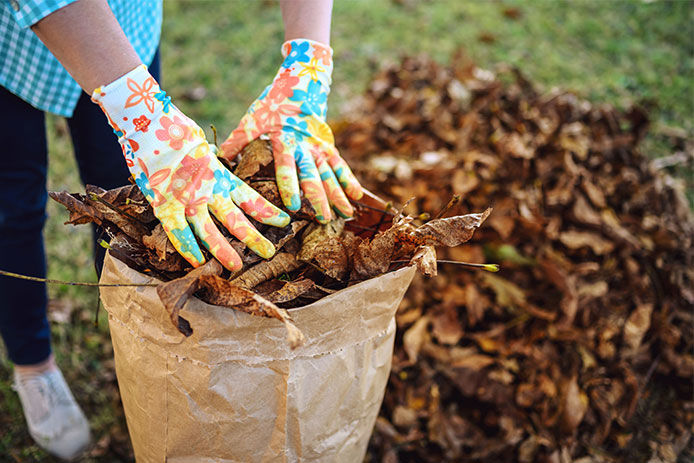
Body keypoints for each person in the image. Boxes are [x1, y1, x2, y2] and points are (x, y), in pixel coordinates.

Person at [0, 0, 362, 459]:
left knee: (132, 198)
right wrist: (142, 116)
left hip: (123, 26)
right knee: (11, 209)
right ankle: (34, 366)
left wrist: (307, 61)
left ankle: (132, 343)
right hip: (7, 46)